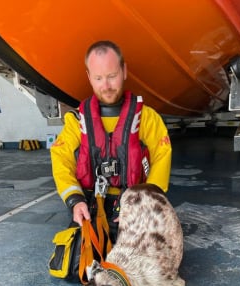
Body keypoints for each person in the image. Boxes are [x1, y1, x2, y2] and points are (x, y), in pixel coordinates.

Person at [50, 40, 172, 242]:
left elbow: (161, 157)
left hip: (136, 207)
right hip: (90, 206)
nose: (105, 86)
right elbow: (61, 160)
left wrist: (145, 203)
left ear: (124, 71)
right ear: (89, 77)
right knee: (77, 264)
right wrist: (75, 201)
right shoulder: (76, 122)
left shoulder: (148, 119)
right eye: (98, 78)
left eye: (112, 76)